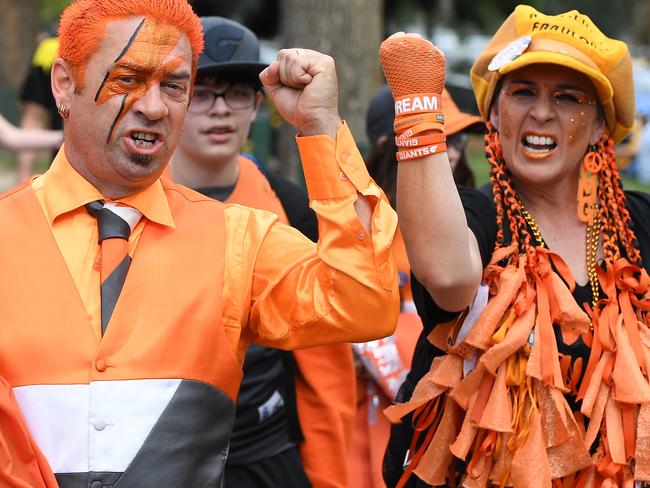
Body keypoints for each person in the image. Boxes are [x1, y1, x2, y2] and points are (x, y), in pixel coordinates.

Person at [0, 1, 400, 487]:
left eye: (174, 86)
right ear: (64, 84)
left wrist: (320, 130)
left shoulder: (238, 239)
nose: (153, 107)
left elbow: (365, 304)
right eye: (127, 79)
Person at [379, 5, 650, 487]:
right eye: (523, 92)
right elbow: (446, 275)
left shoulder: (639, 225)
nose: (542, 112)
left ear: (599, 128)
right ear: (495, 115)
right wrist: (418, 106)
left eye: (568, 98)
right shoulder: (473, 218)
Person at [169, 16, 355, 488]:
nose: (220, 111)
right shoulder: (128, 204)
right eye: (202, 91)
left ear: (256, 105)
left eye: (236, 94)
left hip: (265, 450)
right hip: (165, 458)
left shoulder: (293, 205)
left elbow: (326, 365)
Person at [348, 85, 483, 487]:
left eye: (456, 138)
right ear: (387, 144)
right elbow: (357, 324)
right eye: (438, 139)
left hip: (455, 416)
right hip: (380, 418)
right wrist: (413, 387)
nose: (453, 150)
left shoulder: (473, 219)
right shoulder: (361, 219)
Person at [17, 36, 61, 181]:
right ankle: (23, 175)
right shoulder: (49, 48)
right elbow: (33, 115)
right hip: (53, 51)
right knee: (35, 113)